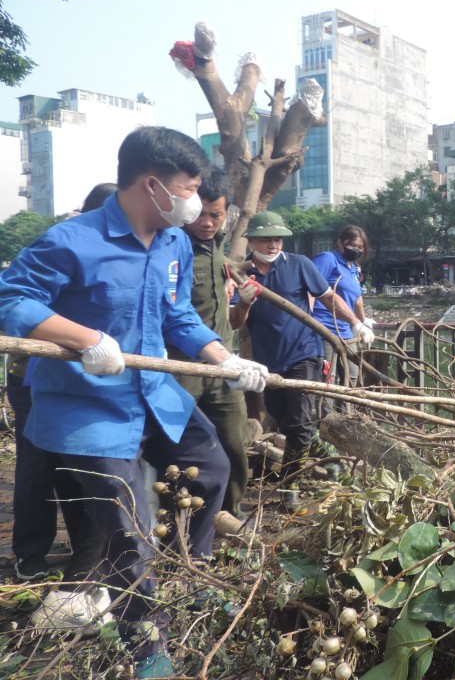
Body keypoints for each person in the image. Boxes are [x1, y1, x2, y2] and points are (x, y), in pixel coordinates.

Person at [0, 127, 268, 677]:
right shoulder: (71, 241)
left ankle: (190, 578)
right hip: (87, 409)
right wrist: (85, 340)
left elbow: (177, 316)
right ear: (153, 185)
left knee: (212, 467)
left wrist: (225, 359)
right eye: (189, 187)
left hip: (152, 394)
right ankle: (147, 644)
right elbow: (11, 300)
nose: (196, 201)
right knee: (130, 529)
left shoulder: (172, 241)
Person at [10, 182, 119, 581]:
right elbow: (20, 305)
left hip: (86, 378)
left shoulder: (116, 250)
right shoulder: (62, 246)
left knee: (81, 465)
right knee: (39, 465)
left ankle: (85, 557)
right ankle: (30, 555)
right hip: (32, 376)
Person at [230, 212, 370, 496]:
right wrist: (244, 302)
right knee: (287, 421)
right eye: (266, 239)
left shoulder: (299, 265)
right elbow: (235, 323)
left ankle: (288, 487)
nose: (273, 245)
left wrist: (355, 322)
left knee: (299, 421)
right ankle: (331, 459)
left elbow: (328, 297)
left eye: (278, 239)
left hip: (305, 353)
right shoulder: (243, 275)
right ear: (252, 240)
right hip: (269, 361)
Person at [170, 170, 251, 519]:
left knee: (235, 446)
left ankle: (227, 519)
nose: (206, 222)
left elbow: (227, 318)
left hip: (223, 366)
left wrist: (244, 301)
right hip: (182, 366)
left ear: (226, 214)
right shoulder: (173, 245)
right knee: (177, 453)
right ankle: (177, 525)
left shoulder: (219, 248)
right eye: (200, 213)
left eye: (215, 215)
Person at [311, 224, 375, 392]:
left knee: (352, 376)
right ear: (340, 243)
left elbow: (357, 300)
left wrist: (362, 322)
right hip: (325, 329)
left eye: (360, 247)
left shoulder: (353, 268)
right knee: (327, 379)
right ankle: (327, 417)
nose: (356, 250)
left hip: (346, 330)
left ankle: (348, 415)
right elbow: (310, 287)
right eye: (352, 245)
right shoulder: (328, 259)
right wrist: (308, 319)